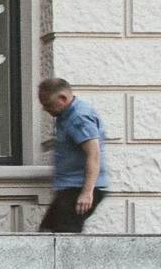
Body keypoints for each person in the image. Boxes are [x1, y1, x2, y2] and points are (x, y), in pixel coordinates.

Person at [38, 77, 110, 233]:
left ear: (63, 99)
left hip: (79, 188)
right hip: (70, 187)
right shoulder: (65, 116)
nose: (46, 109)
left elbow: (94, 154)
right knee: (47, 232)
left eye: (48, 104)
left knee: (65, 238)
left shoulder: (79, 118)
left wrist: (86, 193)